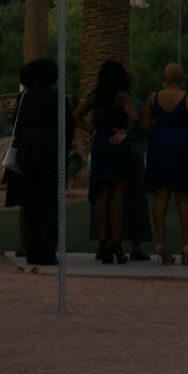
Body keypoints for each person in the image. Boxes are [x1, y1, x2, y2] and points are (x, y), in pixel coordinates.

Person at [79, 59, 144, 264]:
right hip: (117, 146)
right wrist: (126, 132)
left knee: (101, 195)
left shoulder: (95, 97)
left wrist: (92, 130)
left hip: (100, 144)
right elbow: (135, 116)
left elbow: (75, 116)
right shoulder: (121, 97)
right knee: (118, 195)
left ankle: (103, 241)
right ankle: (117, 242)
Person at [143, 63, 188, 264]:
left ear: (164, 76)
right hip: (183, 144)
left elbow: (144, 125)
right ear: (182, 77)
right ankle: (186, 244)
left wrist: (158, 130)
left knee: (161, 196)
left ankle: (161, 243)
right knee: (183, 197)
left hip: (160, 144)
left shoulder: (153, 97)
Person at [13, 57, 63, 266]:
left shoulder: (24, 98)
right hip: (51, 152)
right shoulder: (59, 100)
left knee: (31, 201)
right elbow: (66, 128)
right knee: (51, 203)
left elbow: (17, 125)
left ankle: (31, 250)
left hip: (28, 152)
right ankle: (47, 251)